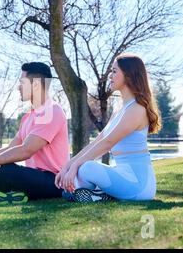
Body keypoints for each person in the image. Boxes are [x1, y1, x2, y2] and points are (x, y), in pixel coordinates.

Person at [55, 53, 161, 202]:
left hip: (139, 185)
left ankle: (97, 194)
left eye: (114, 71)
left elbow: (107, 143)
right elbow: (98, 141)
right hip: (122, 175)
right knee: (82, 168)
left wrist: (75, 167)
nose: (110, 76)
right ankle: (99, 195)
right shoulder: (119, 108)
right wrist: (68, 165)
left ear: (129, 75)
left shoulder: (136, 109)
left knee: (86, 168)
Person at [0, 62, 70, 206]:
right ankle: (9, 196)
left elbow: (26, 150)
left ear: (36, 85)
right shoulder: (28, 117)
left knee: (7, 170)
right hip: (32, 179)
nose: (18, 87)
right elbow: (11, 148)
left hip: (54, 181)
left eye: (22, 82)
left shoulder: (52, 111)